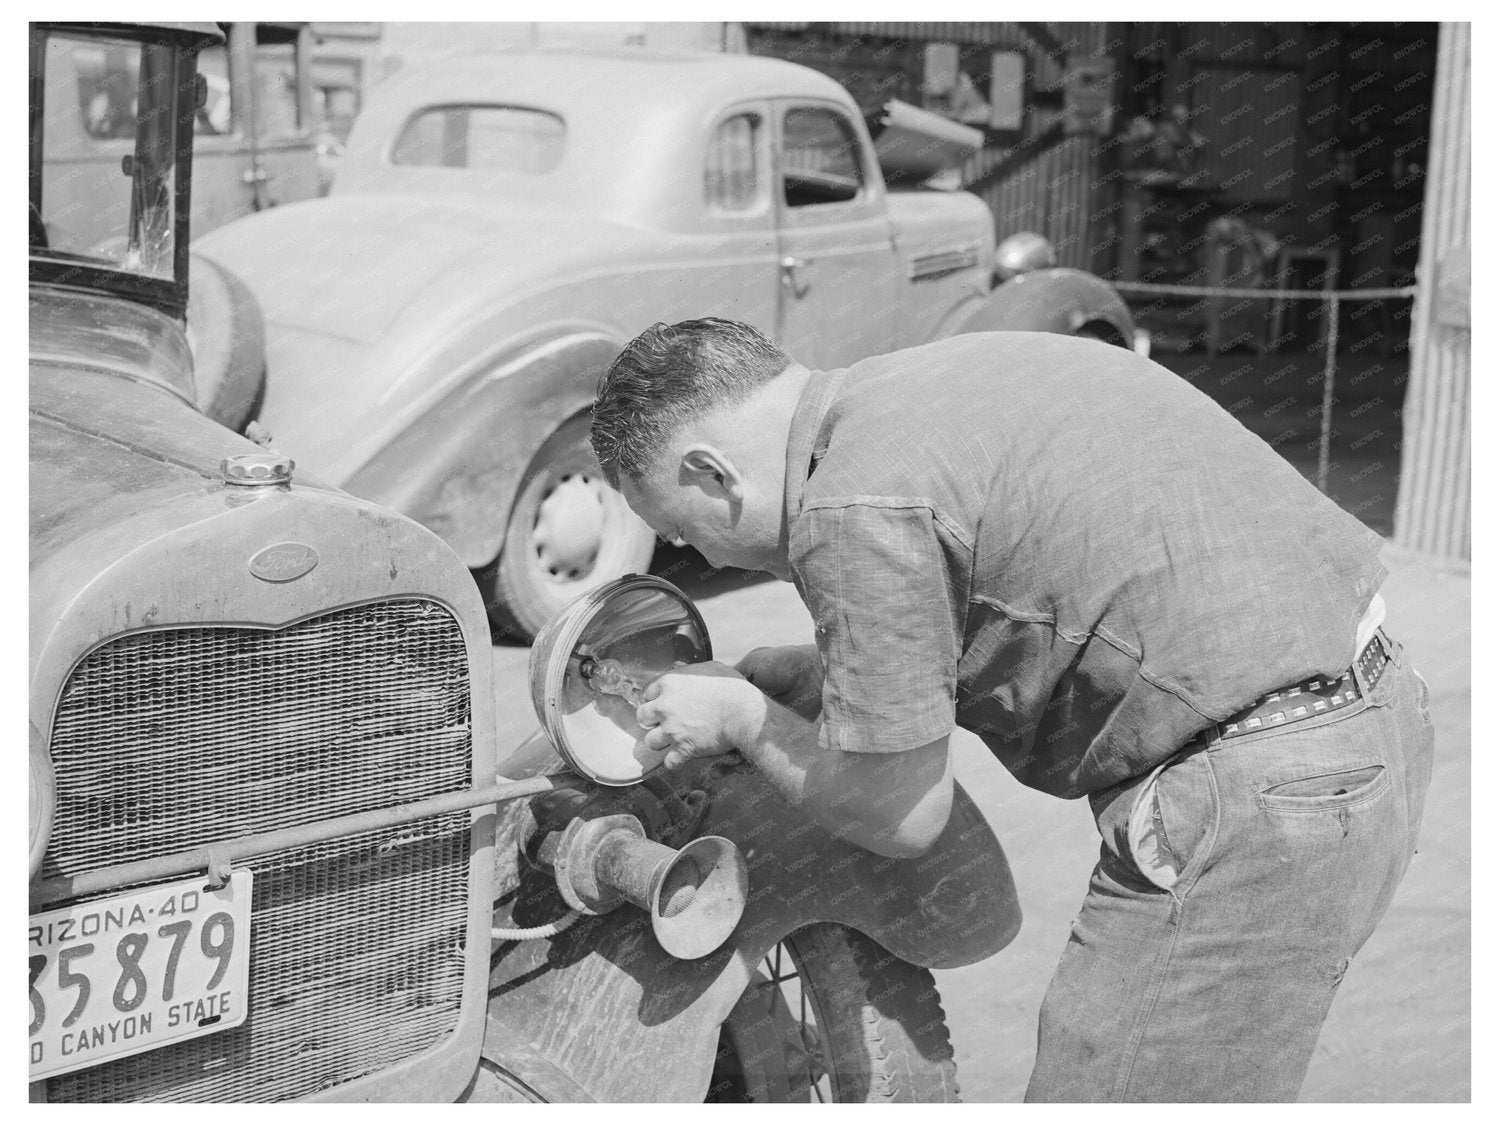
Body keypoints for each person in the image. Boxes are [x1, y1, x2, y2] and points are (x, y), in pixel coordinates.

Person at [589, 318, 1434, 1102]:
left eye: (681, 529)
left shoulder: (851, 505)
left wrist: (744, 718)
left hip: (1257, 792)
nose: (696, 554)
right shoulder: (924, 386)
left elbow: (903, 813)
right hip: (1365, 720)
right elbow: (1048, 564)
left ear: (711, 472)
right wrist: (836, 676)